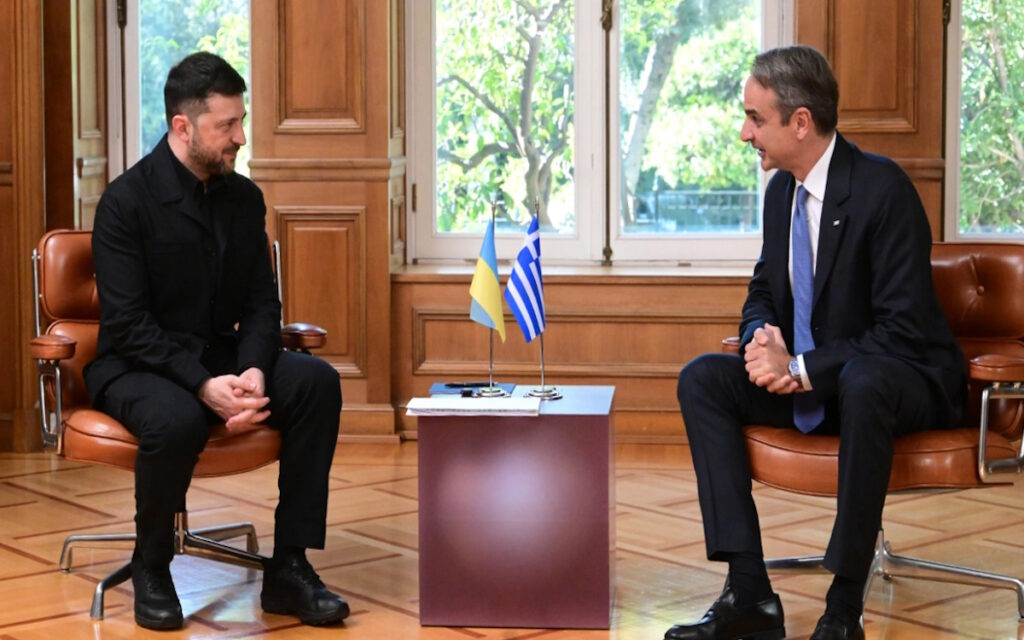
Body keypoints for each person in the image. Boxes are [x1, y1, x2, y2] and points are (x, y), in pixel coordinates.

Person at [669, 46, 965, 640]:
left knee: (864, 378)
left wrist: (800, 368)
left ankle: (843, 608)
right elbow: (763, 289)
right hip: (820, 383)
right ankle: (749, 594)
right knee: (702, 378)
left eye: (755, 118)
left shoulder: (884, 191)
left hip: (900, 384)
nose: (744, 133)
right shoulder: (781, 193)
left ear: (800, 122)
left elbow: (900, 332)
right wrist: (760, 342)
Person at [85, 52, 348, 631]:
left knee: (316, 383)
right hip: (136, 365)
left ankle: (289, 566)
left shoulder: (243, 198)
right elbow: (128, 325)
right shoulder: (125, 203)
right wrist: (204, 386)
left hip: (222, 357)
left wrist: (254, 370)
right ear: (183, 127)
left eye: (241, 121)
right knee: (176, 417)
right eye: (227, 125)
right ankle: (152, 564)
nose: (241, 137)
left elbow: (261, 304)